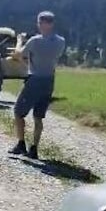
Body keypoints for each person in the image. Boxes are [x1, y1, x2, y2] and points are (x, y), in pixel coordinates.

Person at [8, 11, 66, 159]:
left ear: (41, 24)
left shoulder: (34, 41)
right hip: (49, 80)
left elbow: (17, 54)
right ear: (52, 24)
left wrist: (19, 40)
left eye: (39, 22)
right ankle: (34, 149)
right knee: (38, 117)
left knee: (18, 111)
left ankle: (21, 144)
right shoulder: (61, 42)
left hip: (34, 80)